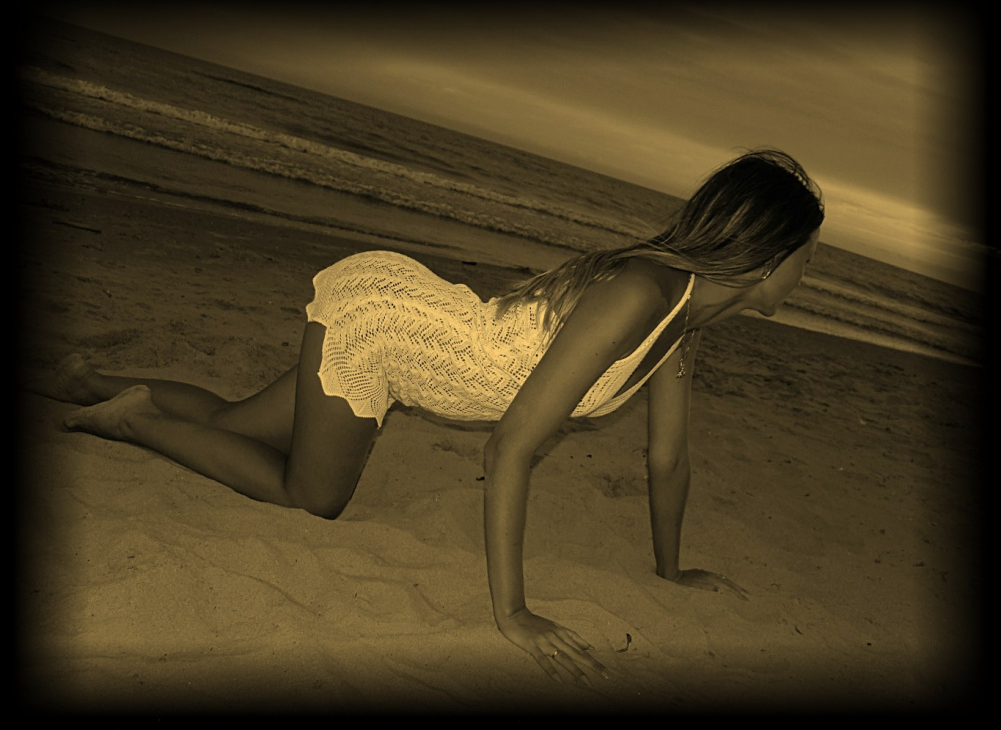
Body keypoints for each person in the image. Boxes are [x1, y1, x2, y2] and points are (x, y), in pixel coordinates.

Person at [42, 148, 824, 685]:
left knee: (240, 424)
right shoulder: (639, 293)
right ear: (768, 257)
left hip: (408, 336)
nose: (806, 271)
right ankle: (131, 421)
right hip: (383, 331)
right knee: (310, 495)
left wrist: (670, 571)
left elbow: (667, 459)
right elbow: (512, 444)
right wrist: (512, 613)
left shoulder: (680, 322)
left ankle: (86, 379)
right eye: (805, 256)